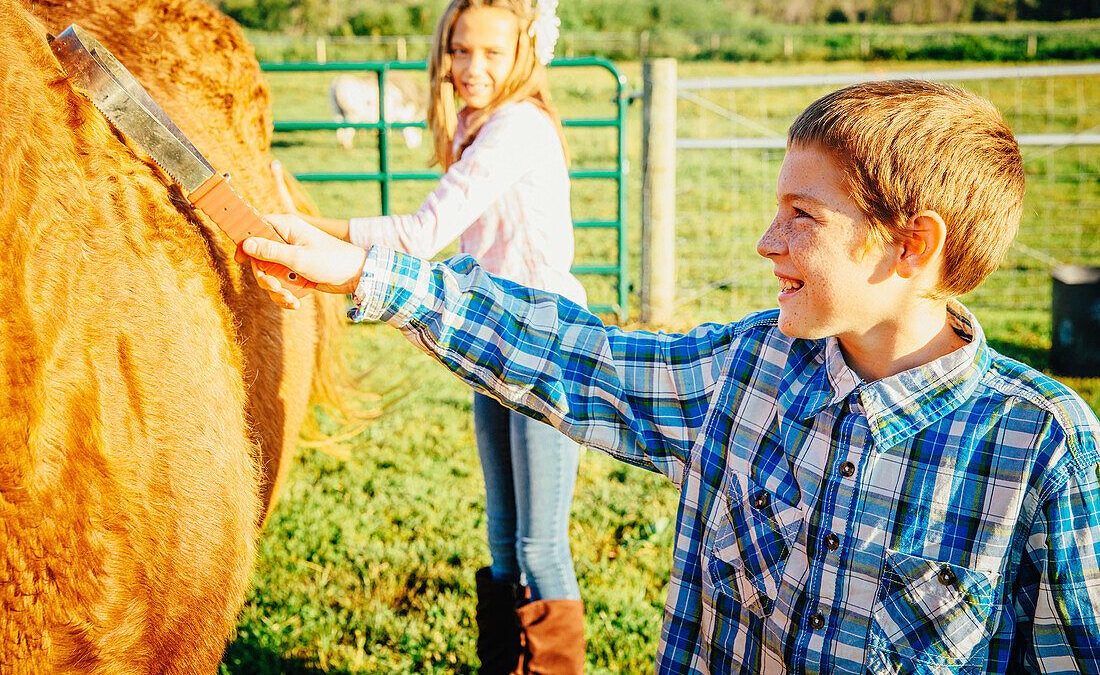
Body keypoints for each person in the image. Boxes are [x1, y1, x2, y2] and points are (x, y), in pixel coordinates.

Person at [242, 79, 1100, 672]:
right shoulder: (744, 370)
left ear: (912, 244)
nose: (767, 242)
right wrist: (367, 273)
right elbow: (574, 354)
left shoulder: (1042, 446)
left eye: (801, 217)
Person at [291, 0, 587, 673]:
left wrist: (310, 226)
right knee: (505, 533)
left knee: (541, 544)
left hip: (543, 339)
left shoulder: (518, 126)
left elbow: (421, 234)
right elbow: (470, 246)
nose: (470, 66)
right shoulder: (474, 124)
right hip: (494, 333)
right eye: (459, 49)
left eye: (490, 50)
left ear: (524, 51)